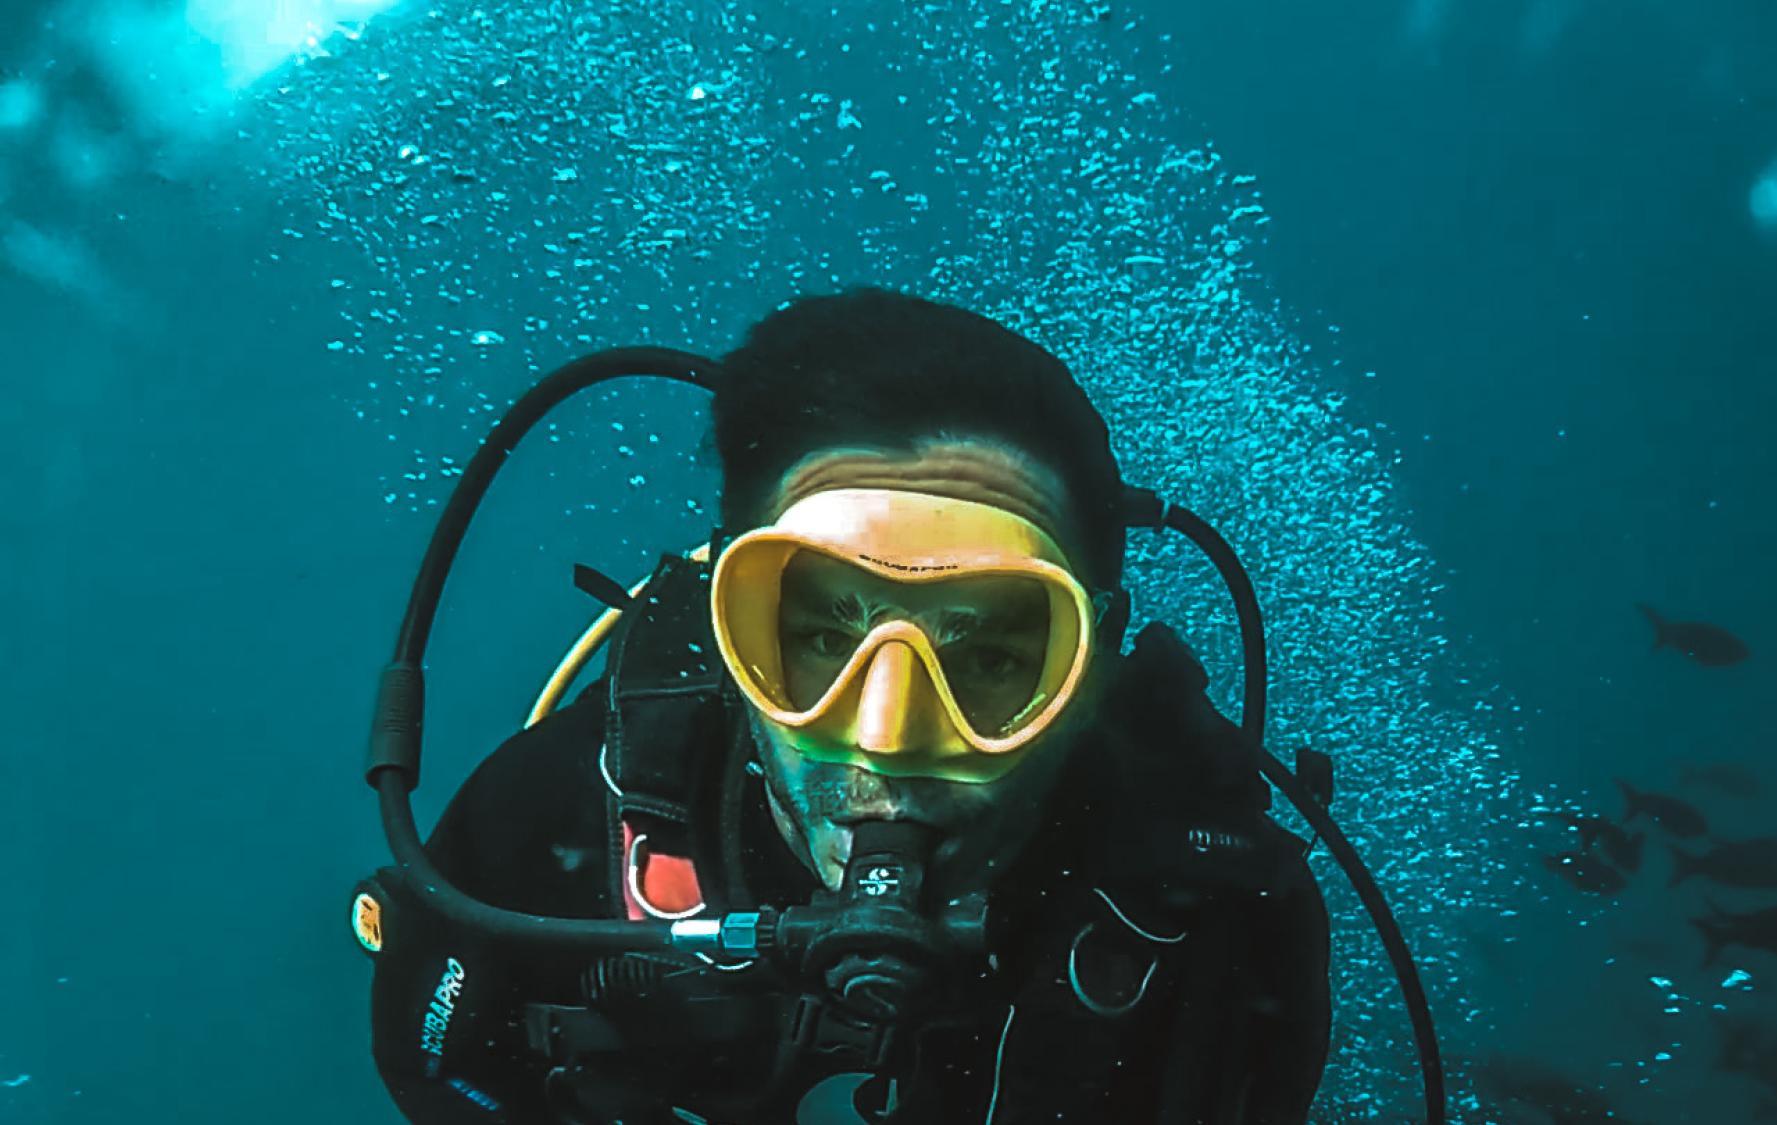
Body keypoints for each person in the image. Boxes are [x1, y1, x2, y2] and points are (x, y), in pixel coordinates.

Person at [356, 287, 1333, 1124]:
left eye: (990, 653)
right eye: (823, 639)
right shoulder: (548, 827)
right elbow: (432, 1069)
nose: (886, 739)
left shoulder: (1217, 913)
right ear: (731, 631)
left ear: (1089, 669)